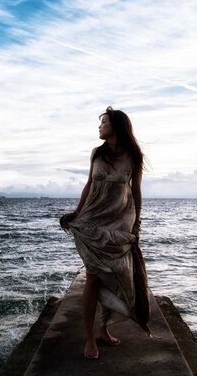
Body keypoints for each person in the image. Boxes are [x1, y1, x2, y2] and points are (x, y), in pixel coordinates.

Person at [60, 106, 150, 359]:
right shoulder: (96, 153)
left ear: (117, 126)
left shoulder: (134, 156)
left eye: (104, 122)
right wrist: (77, 213)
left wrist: (137, 224)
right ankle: (90, 339)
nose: (100, 127)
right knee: (94, 276)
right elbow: (89, 185)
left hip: (120, 224)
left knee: (116, 276)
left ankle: (103, 329)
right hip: (94, 221)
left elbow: (136, 192)